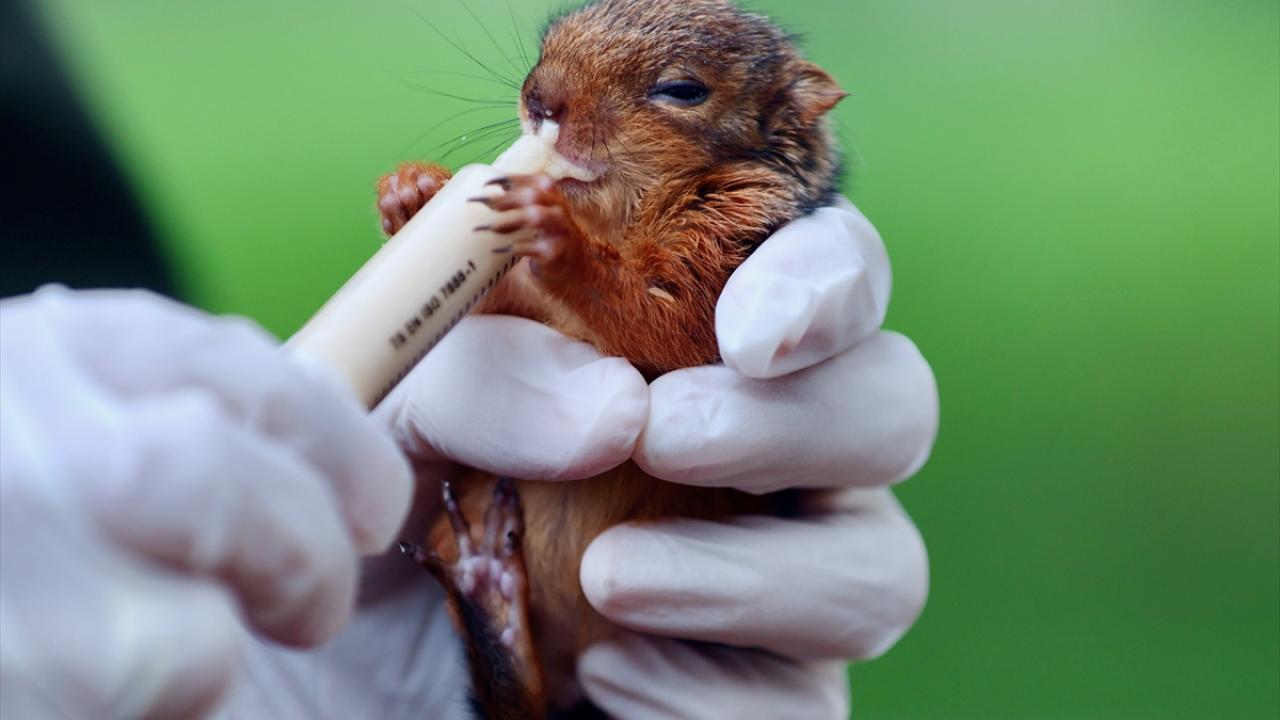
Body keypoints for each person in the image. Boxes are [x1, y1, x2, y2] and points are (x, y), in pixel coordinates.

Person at [0, 200, 938, 719]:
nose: (549, 108)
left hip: (626, 595)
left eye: (674, 92)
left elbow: (657, 321)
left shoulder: (736, 233)